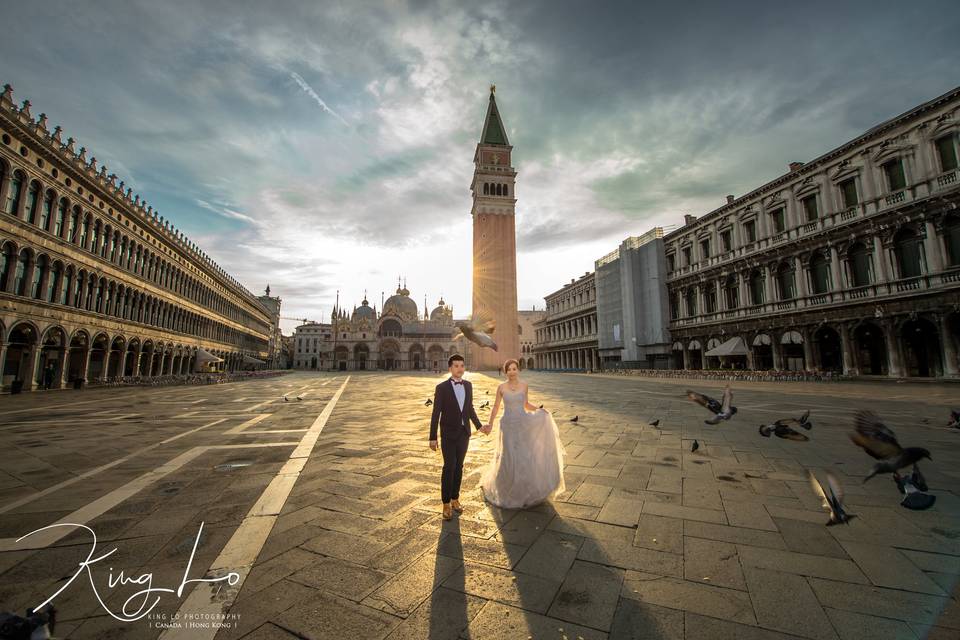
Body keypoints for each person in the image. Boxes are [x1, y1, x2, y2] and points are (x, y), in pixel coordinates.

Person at [480, 359, 565, 509]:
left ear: (518, 370)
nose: (512, 372)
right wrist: (490, 423)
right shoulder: (501, 387)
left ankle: (525, 491)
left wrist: (539, 410)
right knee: (509, 456)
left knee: (524, 455)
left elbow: (526, 404)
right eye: (509, 369)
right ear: (505, 371)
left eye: (514, 369)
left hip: (522, 423)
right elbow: (495, 407)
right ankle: (506, 490)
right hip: (507, 425)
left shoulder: (524, 386)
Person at [429, 354, 488, 520]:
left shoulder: (468, 385)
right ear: (450, 368)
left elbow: (469, 409)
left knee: (459, 466)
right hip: (448, 434)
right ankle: (445, 503)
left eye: (462, 365)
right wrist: (432, 437)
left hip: (464, 433)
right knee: (449, 467)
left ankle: (455, 499)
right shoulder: (441, 388)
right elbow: (435, 414)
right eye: (456, 366)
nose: (459, 369)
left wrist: (479, 426)